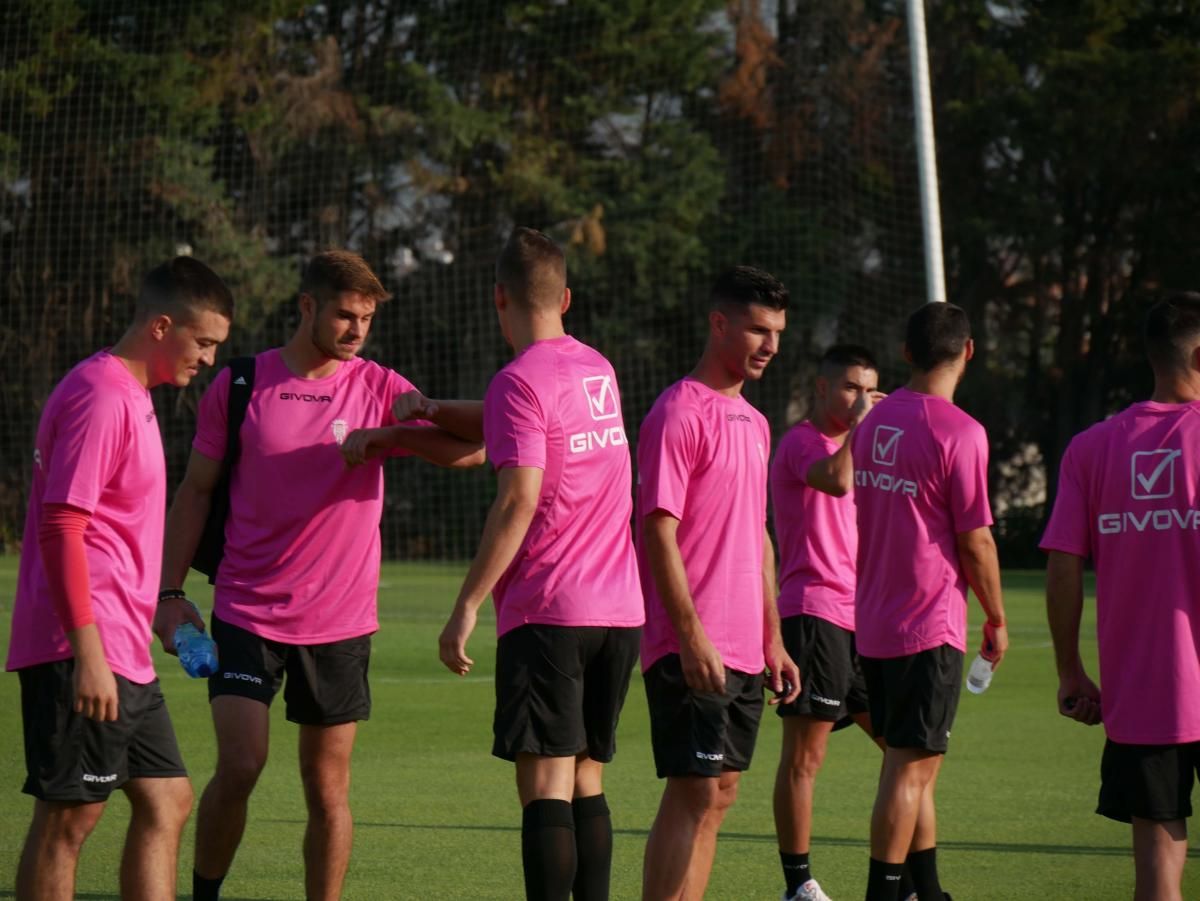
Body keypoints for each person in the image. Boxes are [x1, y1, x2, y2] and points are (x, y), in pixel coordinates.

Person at [153, 250, 484, 901]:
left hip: (340, 621)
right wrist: (168, 592)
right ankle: (204, 892)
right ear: (307, 306)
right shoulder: (242, 382)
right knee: (242, 762)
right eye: (344, 313)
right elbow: (194, 492)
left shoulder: (381, 384)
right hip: (246, 609)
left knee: (327, 787)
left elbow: (478, 448)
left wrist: (394, 435)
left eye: (365, 317)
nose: (357, 328)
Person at [7, 257, 234, 901]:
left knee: (168, 799)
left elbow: (120, 535)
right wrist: (87, 654)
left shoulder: (131, 397)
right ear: (162, 326)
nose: (211, 360)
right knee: (69, 820)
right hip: (83, 647)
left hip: (124, 649)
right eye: (204, 342)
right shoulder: (101, 395)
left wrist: (161, 605)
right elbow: (61, 525)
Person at [435, 227, 644, 901]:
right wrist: (430, 416)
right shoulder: (600, 370)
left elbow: (518, 497)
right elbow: (511, 425)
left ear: (498, 297)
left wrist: (467, 604)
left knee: (544, 786)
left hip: (551, 608)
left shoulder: (516, 381)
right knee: (587, 778)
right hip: (620, 611)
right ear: (567, 297)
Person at [638, 265, 801, 901]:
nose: (771, 345)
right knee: (694, 791)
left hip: (743, 644)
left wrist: (774, 637)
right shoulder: (678, 412)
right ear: (718, 324)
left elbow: (757, 537)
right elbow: (656, 530)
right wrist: (690, 636)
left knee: (721, 794)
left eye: (778, 333)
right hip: (691, 644)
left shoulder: (756, 423)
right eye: (759, 329)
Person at [1041, 293, 1200, 901]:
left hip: (1143, 689)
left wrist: (1070, 670)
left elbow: (1062, 565)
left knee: (1157, 864)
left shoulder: (1092, 446)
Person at [849, 302, 1008, 901]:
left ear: (907, 352)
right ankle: (884, 893)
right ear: (967, 352)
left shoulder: (874, 424)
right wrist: (995, 616)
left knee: (917, 768)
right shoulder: (960, 431)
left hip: (876, 620)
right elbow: (976, 539)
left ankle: (929, 891)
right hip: (927, 622)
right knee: (906, 772)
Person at [771, 344, 917, 901]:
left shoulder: (867, 447)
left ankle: (903, 883)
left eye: (869, 388)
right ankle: (799, 884)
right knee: (805, 757)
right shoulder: (802, 443)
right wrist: (864, 426)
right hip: (813, 614)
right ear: (822, 389)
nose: (861, 398)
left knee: (903, 752)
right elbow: (833, 480)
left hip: (865, 619)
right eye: (851, 387)